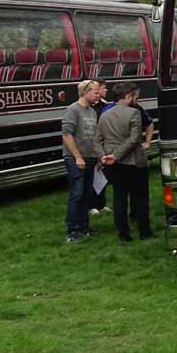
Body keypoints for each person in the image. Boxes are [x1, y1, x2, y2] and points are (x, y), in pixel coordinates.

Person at [96, 82, 152, 242]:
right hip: (133, 163)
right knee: (140, 198)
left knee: (119, 198)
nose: (137, 99)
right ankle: (144, 231)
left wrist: (104, 156)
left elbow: (96, 139)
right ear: (128, 97)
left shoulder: (104, 114)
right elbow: (134, 139)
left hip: (114, 165)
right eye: (136, 96)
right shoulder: (134, 113)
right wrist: (117, 155)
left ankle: (123, 234)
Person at [61, 79, 102, 243]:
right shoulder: (73, 110)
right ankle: (72, 230)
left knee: (87, 194)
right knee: (76, 194)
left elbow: (94, 137)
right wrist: (77, 156)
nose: (98, 95)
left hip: (90, 158)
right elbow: (67, 135)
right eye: (95, 92)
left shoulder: (92, 112)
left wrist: (98, 156)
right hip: (75, 159)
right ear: (84, 92)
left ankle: (84, 227)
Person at [87, 79, 113, 216]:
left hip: (103, 144)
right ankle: (91, 205)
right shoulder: (91, 108)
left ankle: (101, 203)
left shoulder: (105, 105)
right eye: (103, 88)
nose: (105, 91)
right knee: (93, 176)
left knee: (103, 175)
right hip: (94, 145)